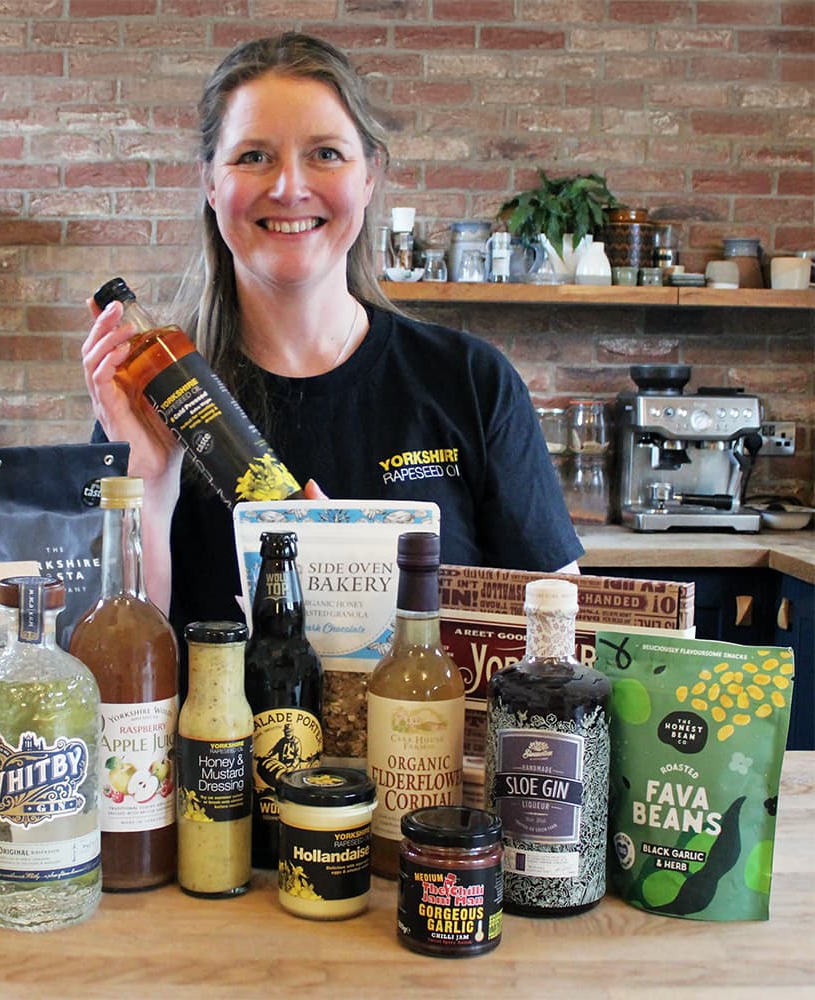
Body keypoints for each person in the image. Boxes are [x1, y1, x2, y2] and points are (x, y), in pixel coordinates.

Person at [82, 31, 582, 662]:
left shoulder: (471, 382)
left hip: (426, 757)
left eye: (325, 153)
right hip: (208, 762)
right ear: (211, 183)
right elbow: (121, 673)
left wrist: (352, 576)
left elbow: (559, 639)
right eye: (254, 157)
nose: (289, 187)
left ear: (370, 177)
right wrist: (153, 487)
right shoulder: (157, 390)